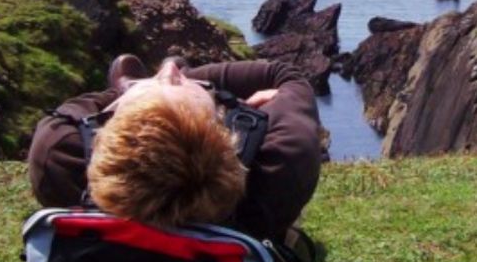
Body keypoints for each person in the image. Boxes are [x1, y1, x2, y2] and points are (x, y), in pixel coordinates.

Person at [28, 55, 322, 242]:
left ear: (109, 125)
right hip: (246, 227)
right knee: (286, 231)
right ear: (227, 136)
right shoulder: (278, 170)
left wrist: (123, 92)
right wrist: (225, 99)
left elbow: (70, 115)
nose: (169, 67)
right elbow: (286, 78)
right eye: (178, 79)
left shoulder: (56, 154)